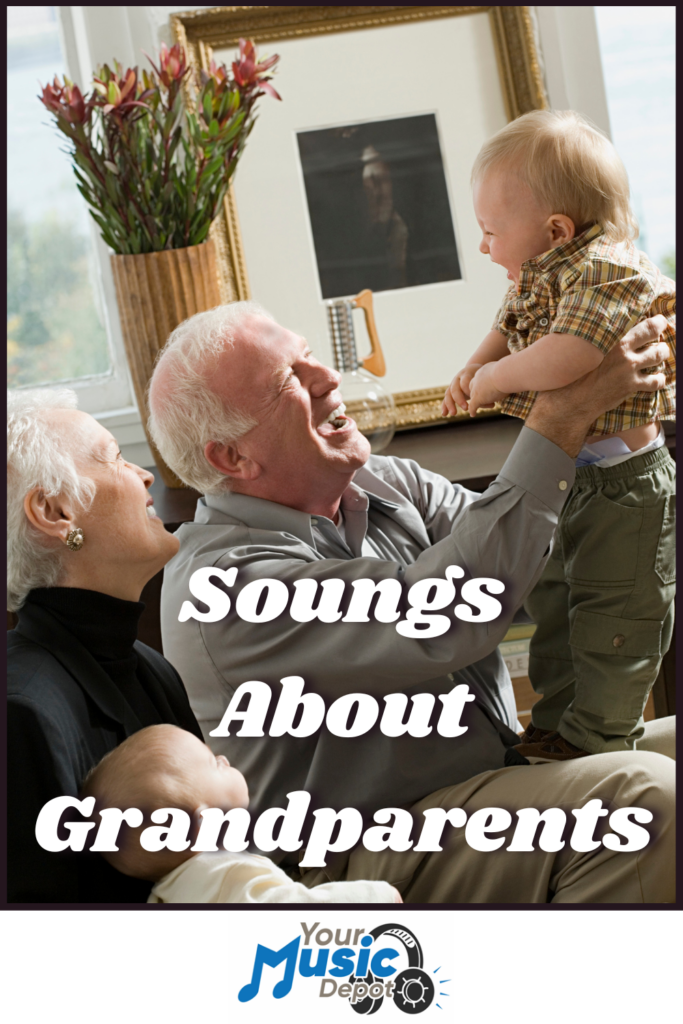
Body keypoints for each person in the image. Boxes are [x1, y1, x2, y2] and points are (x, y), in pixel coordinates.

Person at [149, 301, 675, 903]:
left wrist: (622, 433)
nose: (327, 378)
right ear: (231, 457)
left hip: (484, 784)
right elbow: (450, 611)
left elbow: (545, 574)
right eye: (287, 381)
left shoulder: (382, 482)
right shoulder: (223, 586)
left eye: (309, 356)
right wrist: (561, 418)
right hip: (360, 852)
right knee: (648, 802)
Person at [442, 110, 675, 763]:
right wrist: (471, 365)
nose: (484, 248)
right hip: (570, 473)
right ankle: (554, 722)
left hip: (622, 488)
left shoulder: (606, 271)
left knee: (614, 615)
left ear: (554, 230)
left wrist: (489, 379)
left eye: (490, 233)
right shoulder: (539, 272)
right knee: (553, 601)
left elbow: (567, 357)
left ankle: (600, 735)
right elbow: (505, 325)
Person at [7, 388, 206, 903]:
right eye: (115, 455)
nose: (144, 475)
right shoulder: (21, 714)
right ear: (54, 512)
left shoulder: (147, 666)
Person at [81, 723, 402, 904]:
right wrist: (376, 897)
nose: (222, 757)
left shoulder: (173, 894)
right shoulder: (225, 875)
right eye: (211, 762)